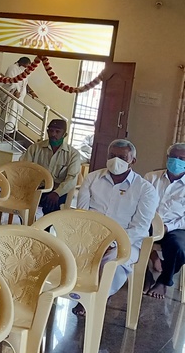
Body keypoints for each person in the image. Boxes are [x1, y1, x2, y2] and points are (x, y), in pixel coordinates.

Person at [73, 139, 159, 308]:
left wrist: (112, 243)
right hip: (91, 236)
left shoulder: (145, 189)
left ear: (132, 161)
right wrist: (92, 239)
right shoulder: (92, 179)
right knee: (66, 251)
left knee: (112, 262)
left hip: (127, 242)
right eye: (112, 156)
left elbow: (140, 228)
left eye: (122, 157)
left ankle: (98, 298)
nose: (116, 161)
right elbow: (81, 215)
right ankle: (78, 294)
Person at [146, 143, 185, 298]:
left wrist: (168, 227)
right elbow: (140, 203)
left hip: (176, 228)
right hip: (148, 223)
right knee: (131, 237)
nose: (177, 161)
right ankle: (145, 275)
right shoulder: (151, 177)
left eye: (182, 158)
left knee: (179, 248)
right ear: (167, 158)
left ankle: (163, 281)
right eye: (174, 157)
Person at [23, 118, 83, 213]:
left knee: (51, 204)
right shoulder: (35, 148)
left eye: (57, 132)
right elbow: (23, 168)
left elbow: (71, 179)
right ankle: (28, 224)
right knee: (22, 201)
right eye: (51, 131)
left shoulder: (73, 154)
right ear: (47, 131)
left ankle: (45, 227)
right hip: (38, 187)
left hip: (58, 189)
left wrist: (57, 193)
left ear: (65, 135)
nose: (53, 134)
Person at [1, 56, 38, 134]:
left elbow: (25, 83)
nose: (26, 68)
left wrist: (31, 91)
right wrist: (15, 91)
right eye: (26, 66)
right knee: (10, 114)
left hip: (19, 98)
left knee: (17, 114)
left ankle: (11, 131)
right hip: (12, 96)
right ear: (21, 63)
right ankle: (5, 132)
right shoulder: (13, 68)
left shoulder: (24, 71)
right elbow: (9, 81)